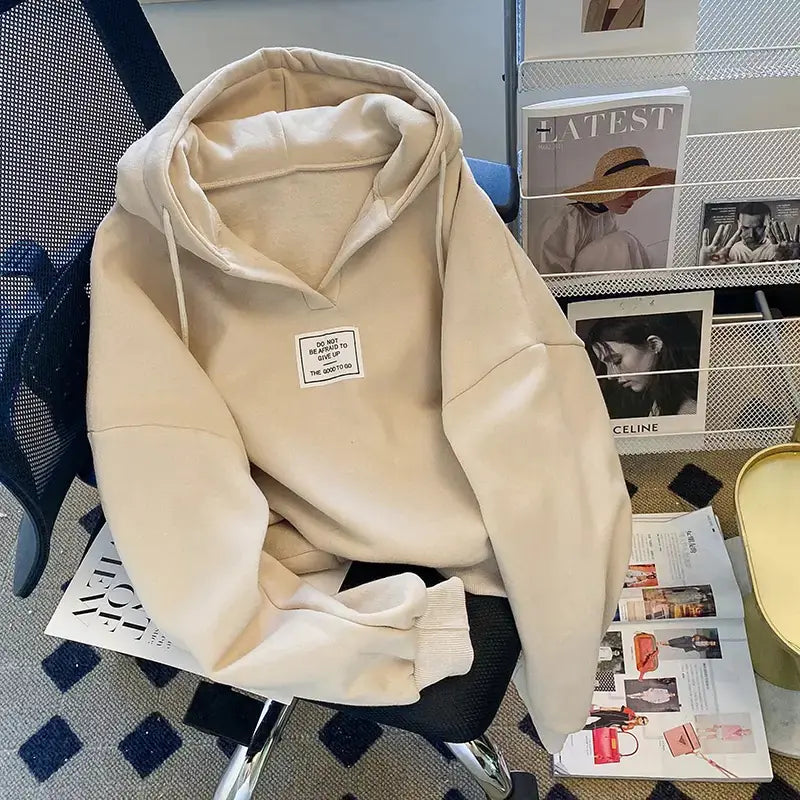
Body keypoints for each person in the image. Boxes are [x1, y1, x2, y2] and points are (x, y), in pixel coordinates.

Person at [533, 146, 676, 274]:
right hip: (570, 291)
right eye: (627, 189)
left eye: (639, 188)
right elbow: (548, 275)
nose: (634, 196)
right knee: (622, 243)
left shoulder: (608, 216)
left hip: (602, 286)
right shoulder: (565, 220)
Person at [584, 313, 701, 418]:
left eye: (617, 360)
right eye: (605, 365)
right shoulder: (659, 402)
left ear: (654, 345)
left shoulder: (690, 410)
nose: (610, 375)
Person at [700, 202, 800, 265]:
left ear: (769, 224)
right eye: (745, 228)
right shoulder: (729, 251)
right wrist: (706, 268)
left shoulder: (781, 250)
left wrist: (795, 264)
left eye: (759, 228)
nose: (751, 235)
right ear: (738, 224)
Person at [583, 706, 649, 731]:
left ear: (641, 724)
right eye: (643, 718)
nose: (642, 720)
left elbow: (617, 727)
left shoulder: (631, 726)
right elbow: (617, 709)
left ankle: (579, 728)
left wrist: (609, 727)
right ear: (641, 716)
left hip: (609, 723)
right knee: (589, 713)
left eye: (643, 722)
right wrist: (604, 708)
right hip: (609, 714)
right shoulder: (631, 713)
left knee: (592, 727)